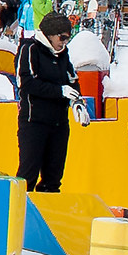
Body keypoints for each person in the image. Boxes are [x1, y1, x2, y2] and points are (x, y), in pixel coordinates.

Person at [15, 11, 78, 194]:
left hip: (58, 122)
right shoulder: (30, 49)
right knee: (29, 173)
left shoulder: (62, 54)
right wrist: (59, 91)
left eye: (68, 38)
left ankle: (47, 213)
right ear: (50, 34)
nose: (64, 42)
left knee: (53, 175)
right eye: (62, 37)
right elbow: (27, 83)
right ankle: (20, 213)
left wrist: (76, 101)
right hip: (34, 121)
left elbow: (72, 79)